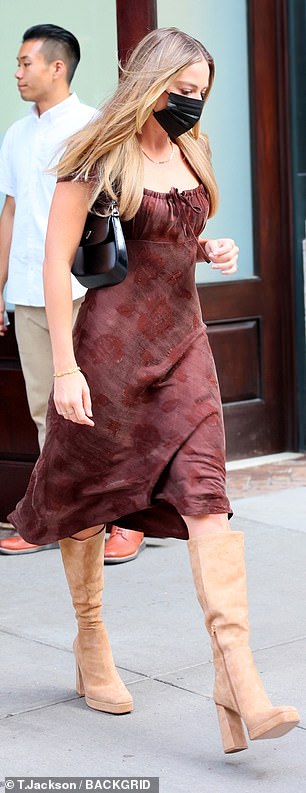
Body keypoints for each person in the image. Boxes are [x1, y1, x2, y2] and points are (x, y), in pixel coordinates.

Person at [8, 27, 300, 751]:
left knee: (208, 497)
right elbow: (55, 262)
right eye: (185, 90)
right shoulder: (96, 156)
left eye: (203, 93)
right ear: (151, 82)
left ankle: (239, 678)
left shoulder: (190, 150)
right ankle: (91, 639)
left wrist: (210, 244)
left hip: (185, 349)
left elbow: (174, 231)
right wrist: (68, 370)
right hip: (109, 350)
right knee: (85, 492)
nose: (194, 104)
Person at [0, 23, 142, 559]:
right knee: (47, 410)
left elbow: (123, 208)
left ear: (57, 67)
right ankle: (57, 519)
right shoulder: (15, 135)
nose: (16, 73)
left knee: (103, 406)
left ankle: (125, 520)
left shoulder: (93, 127)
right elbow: (10, 210)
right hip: (32, 292)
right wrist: (1, 288)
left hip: (89, 290)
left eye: (24, 62)